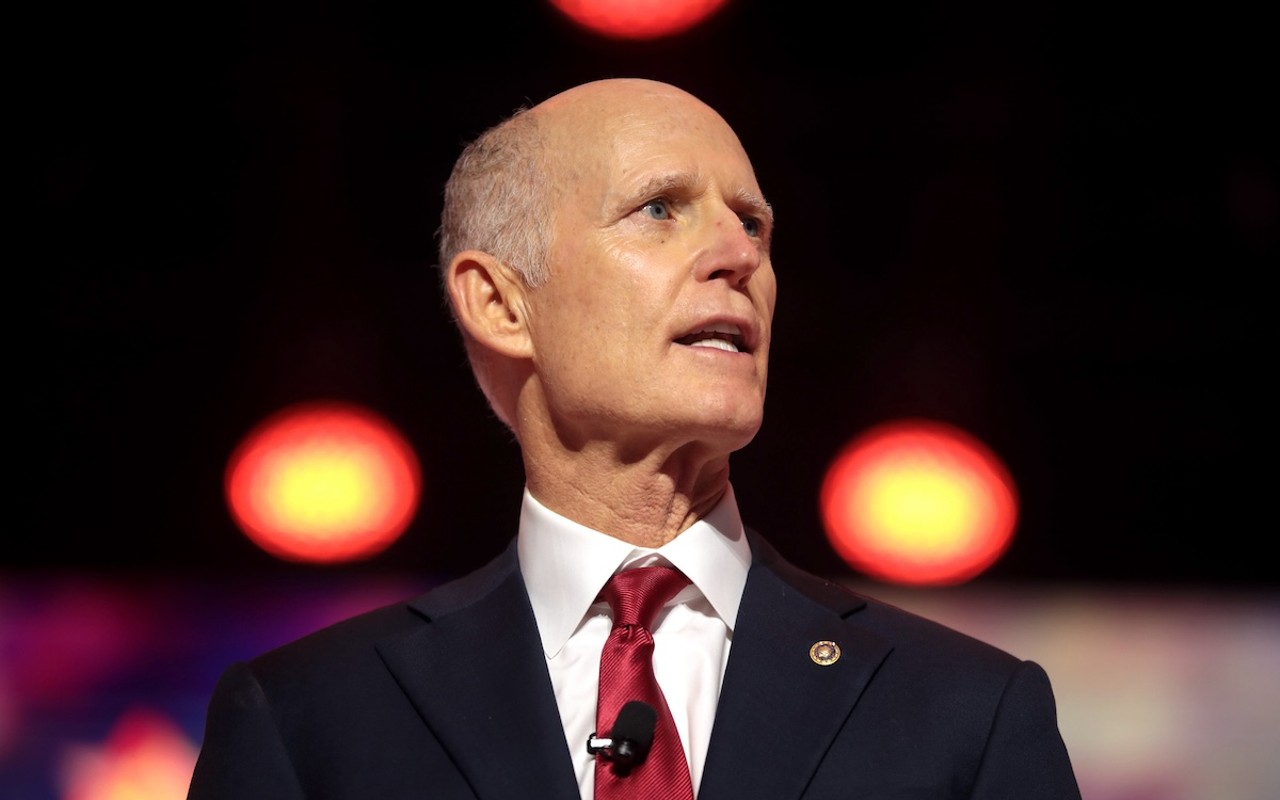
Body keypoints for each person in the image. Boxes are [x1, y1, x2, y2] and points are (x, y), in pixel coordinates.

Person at [187, 77, 1081, 799]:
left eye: (754, 223)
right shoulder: (311, 719)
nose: (739, 255)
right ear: (500, 302)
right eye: (660, 208)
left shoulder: (965, 710)